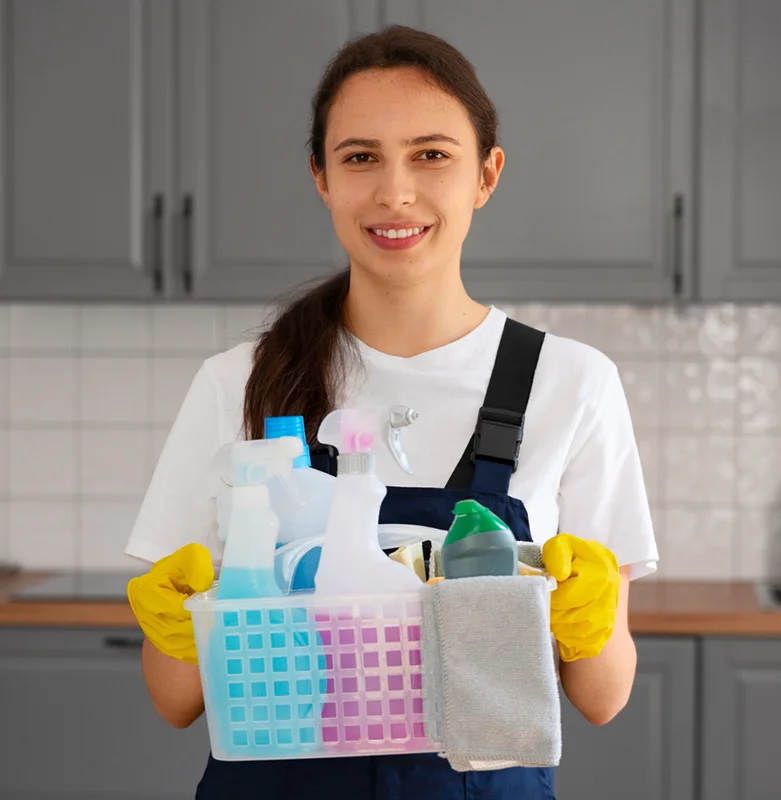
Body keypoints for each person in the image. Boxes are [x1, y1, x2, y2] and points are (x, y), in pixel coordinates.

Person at [125, 24, 658, 800]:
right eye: (360, 157)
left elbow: (604, 696)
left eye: (432, 154)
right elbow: (175, 700)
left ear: (486, 174)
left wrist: (588, 616)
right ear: (321, 176)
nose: (395, 192)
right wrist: (177, 624)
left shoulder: (571, 383)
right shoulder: (239, 384)